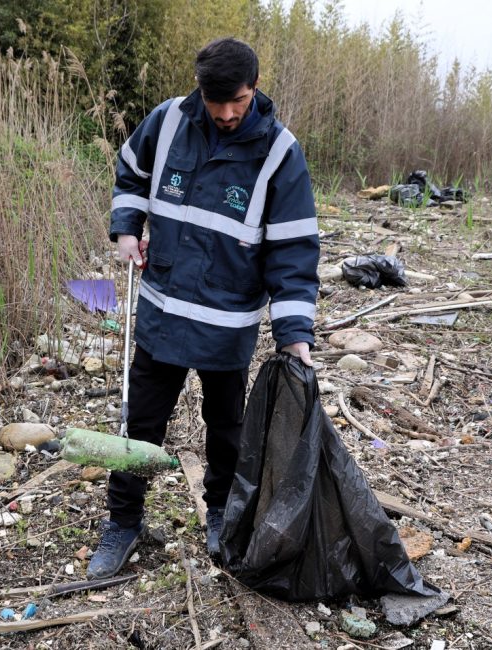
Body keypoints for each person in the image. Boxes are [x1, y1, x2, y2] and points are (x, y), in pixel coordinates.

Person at [88, 37, 320, 579]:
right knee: (139, 423)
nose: (225, 114)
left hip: (226, 324)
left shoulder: (281, 153)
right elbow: (130, 173)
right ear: (200, 90)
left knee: (227, 429)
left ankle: (220, 514)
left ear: (254, 90)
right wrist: (126, 229)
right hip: (163, 314)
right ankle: (123, 523)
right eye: (215, 102)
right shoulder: (168, 121)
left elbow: (293, 248)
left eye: (236, 102)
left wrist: (294, 333)